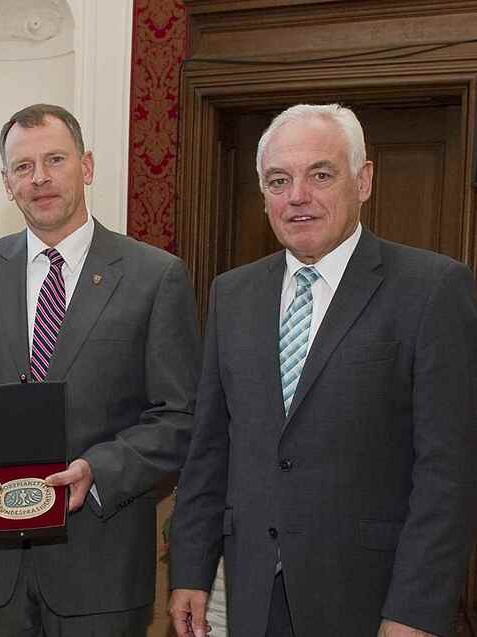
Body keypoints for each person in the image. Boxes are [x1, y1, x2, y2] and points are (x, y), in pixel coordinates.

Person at [168, 104, 477, 637]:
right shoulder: (232, 293)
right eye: (278, 180)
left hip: (372, 598)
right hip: (252, 593)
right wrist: (191, 570)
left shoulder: (432, 290)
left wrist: (414, 611)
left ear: (364, 181)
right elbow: (210, 449)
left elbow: (447, 473)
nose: (297, 196)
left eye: (321, 175)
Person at [0, 103, 200, 636]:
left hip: (100, 564)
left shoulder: (154, 277)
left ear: (87, 167)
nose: (40, 178)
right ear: (7, 184)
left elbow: (179, 417)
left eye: (55, 160)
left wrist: (98, 470)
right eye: (23, 167)